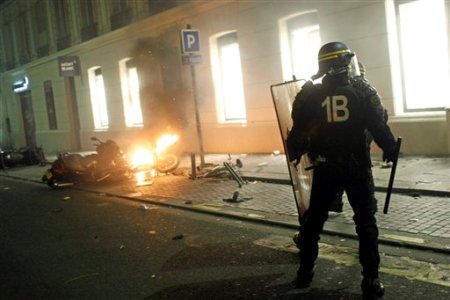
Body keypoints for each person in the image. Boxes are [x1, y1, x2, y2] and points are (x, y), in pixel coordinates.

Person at [286, 41, 397, 299]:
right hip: (357, 167)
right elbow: (379, 125)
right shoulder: (362, 89)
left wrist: (296, 153)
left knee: (314, 222)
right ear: (341, 63)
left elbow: (298, 135)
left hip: (325, 167)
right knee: (366, 223)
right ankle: (371, 279)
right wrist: (391, 150)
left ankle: (305, 272)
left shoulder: (309, 94)